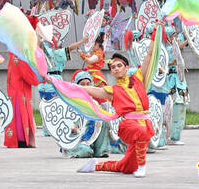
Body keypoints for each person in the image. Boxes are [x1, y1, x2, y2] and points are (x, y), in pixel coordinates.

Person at [75, 24, 159, 178]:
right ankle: (142, 166)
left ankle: (96, 165)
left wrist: (156, 33)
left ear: (126, 68)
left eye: (119, 66)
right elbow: (92, 90)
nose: (116, 69)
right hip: (129, 125)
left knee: (126, 167)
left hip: (144, 122)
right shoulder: (113, 90)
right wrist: (68, 86)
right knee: (140, 134)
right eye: (113, 67)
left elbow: (149, 55)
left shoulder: (139, 78)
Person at [67, 71, 111, 159]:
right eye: (82, 84)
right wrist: (72, 128)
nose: (86, 87)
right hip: (77, 139)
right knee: (85, 151)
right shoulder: (72, 103)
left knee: (104, 120)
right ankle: (84, 150)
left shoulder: (94, 103)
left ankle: (100, 150)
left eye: (88, 84)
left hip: (92, 137)